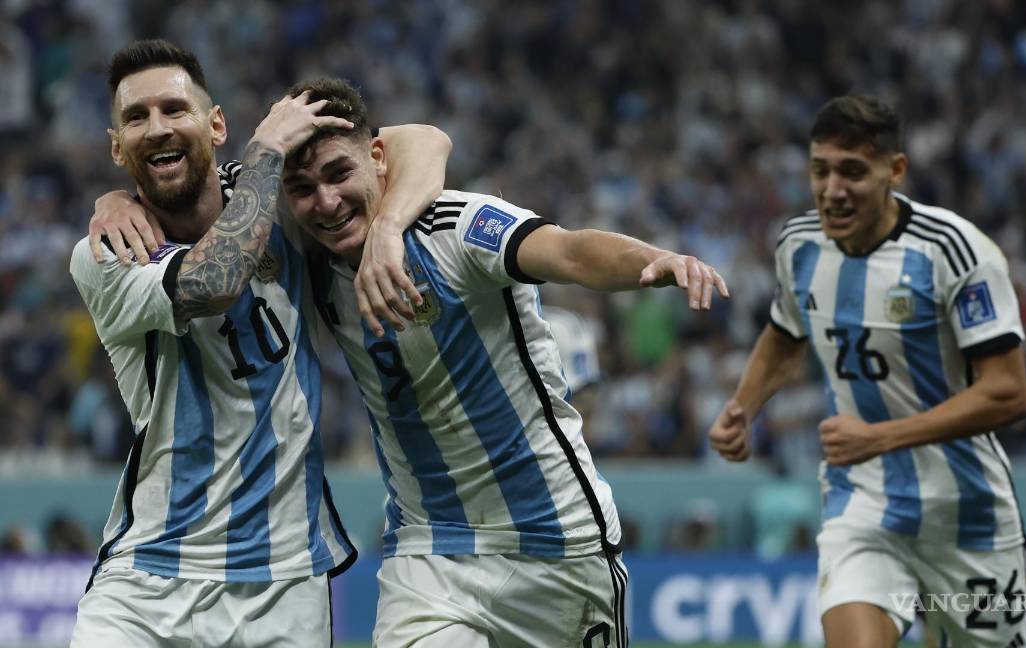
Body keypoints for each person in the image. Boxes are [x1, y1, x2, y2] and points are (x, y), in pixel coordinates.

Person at [278, 76, 728, 648]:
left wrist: (657, 257)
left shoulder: (456, 226)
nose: (326, 202)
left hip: (555, 539)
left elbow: (568, 250)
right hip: (428, 549)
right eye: (302, 188)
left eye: (340, 175)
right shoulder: (311, 265)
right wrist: (122, 198)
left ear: (377, 159)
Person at [68, 40, 449, 648]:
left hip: (284, 585)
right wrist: (265, 149)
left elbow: (422, 140)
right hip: (147, 583)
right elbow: (214, 280)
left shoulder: (284, 203)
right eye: (135, 118)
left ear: (215, 124)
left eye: (174, 108)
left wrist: (390, 229)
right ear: (117, 148)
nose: (156, 127)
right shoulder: (107, 253)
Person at [708, 95, 1026, 648]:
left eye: (853, 172)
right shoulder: (799, 245)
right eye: (821, 170)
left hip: (967, 513)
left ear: (895, 171)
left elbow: (1008, 394)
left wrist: (879, 436)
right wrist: (744, 408)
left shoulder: (954, 250)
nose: (833, 189)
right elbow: (785, 337)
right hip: (862, 503)